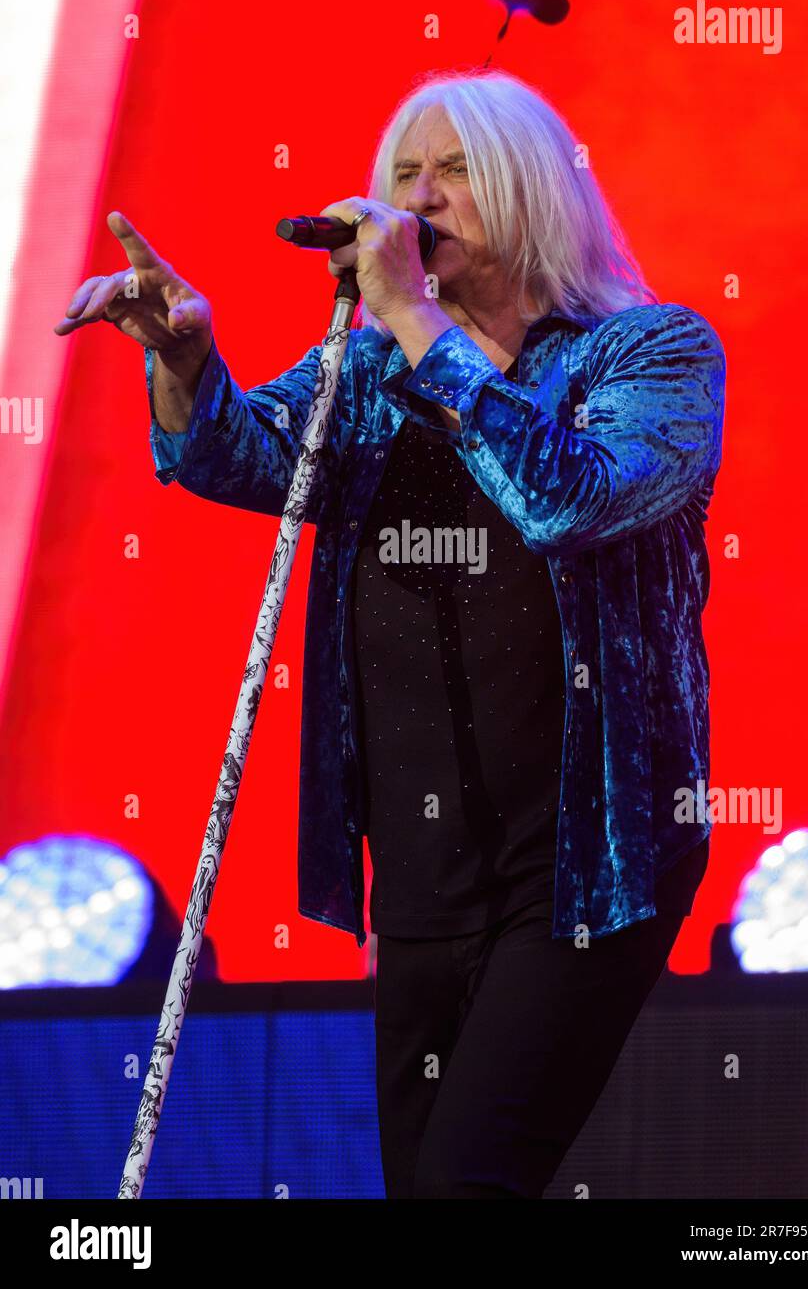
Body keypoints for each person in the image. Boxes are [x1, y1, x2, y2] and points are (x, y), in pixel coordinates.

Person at [54, 69, 725, 1199]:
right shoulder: (368, 376)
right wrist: (180, 357)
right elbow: (235, 453)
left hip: (587, 860)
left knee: (469, 1179)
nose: (420, 200)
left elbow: (569, 498)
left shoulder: (646, 355)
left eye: (455, 173)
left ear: (529, 194)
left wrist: (411, 318)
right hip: (421, 869)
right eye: (403, 175)